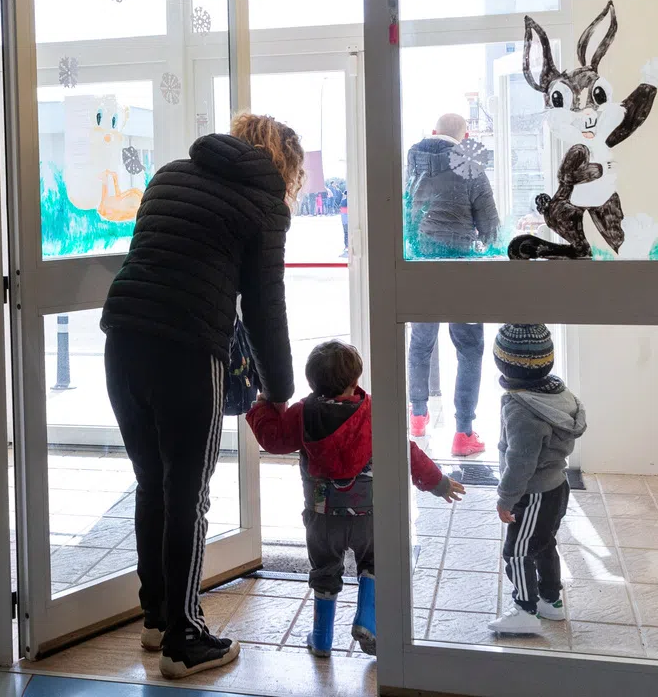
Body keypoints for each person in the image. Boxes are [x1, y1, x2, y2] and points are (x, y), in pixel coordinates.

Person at [101, 113, 301, 679]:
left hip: (122, 342)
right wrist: (279, 389)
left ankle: (159, 618)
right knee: (188, 493)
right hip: (188, 353)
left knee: (153, 482)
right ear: (282, 164)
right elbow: (266, 307)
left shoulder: (168, 174)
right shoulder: (265, 206)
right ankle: (186, 640)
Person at [247, 341, 465, 657]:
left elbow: (274, 440)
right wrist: (438, 483)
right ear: (355, 381)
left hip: (322, 516)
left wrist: (262, 408)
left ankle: (321, 639)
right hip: (368, 514)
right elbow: (407, 452)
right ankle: (366, 619)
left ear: (312, 383)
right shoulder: (372, 411)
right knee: (375, 562)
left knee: (324, 571)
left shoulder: (304, 412)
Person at [406, 113, 500, 456]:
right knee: (469, 349)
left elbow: (406, 211)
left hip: (418, 266)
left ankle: (417, 416)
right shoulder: (469, 161)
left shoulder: (413, 160)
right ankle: (463, 433)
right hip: (461, 270)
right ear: (466, 135)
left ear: (433, 132)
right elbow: (490, 225)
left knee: (420, 343)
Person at [487, 324, 587, 635]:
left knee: (516, 551)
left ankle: (525, 609)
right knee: (543, 544)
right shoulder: (558, 394)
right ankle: (550, 602)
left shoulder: (522, 411)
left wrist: (506, 497)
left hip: (532, 495)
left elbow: (520, 462)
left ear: (503, 363)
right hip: (557, 486)